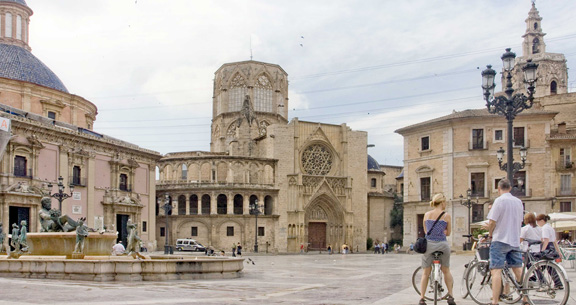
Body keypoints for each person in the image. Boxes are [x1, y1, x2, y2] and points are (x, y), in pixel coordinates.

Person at [486, 179, 523, 305]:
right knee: (518, 270)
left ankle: (495, 301)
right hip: (514, 240)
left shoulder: (499, 201)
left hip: (500, 239)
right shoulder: (518, 202)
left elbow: (492, 221)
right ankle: (525, 298)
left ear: (499, 189)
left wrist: (490, 234)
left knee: (496, 271)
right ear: (510, 188)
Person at [418, 193, 455, 305]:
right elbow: (448, 233)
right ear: (442, 202)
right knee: (446, 271)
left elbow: (425, 231)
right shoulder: (446, 216)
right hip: (443, 245)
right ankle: (451, 296)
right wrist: (442, 232)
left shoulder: (427, 215)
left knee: (425, 273)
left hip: (429, 245)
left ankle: (422, 298)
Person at [536, 214, 563, 288]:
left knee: (538, 266)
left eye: (538, 221)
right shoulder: (550, 227)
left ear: (542, 221)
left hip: (547, 247)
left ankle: (539, 281)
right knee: (549, 266)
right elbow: (554, 241)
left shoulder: (544, 228)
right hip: (551, 247)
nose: (537, 223)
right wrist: (558, 251)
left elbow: (546, 240)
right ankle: (558, 283)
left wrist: (542, 251)